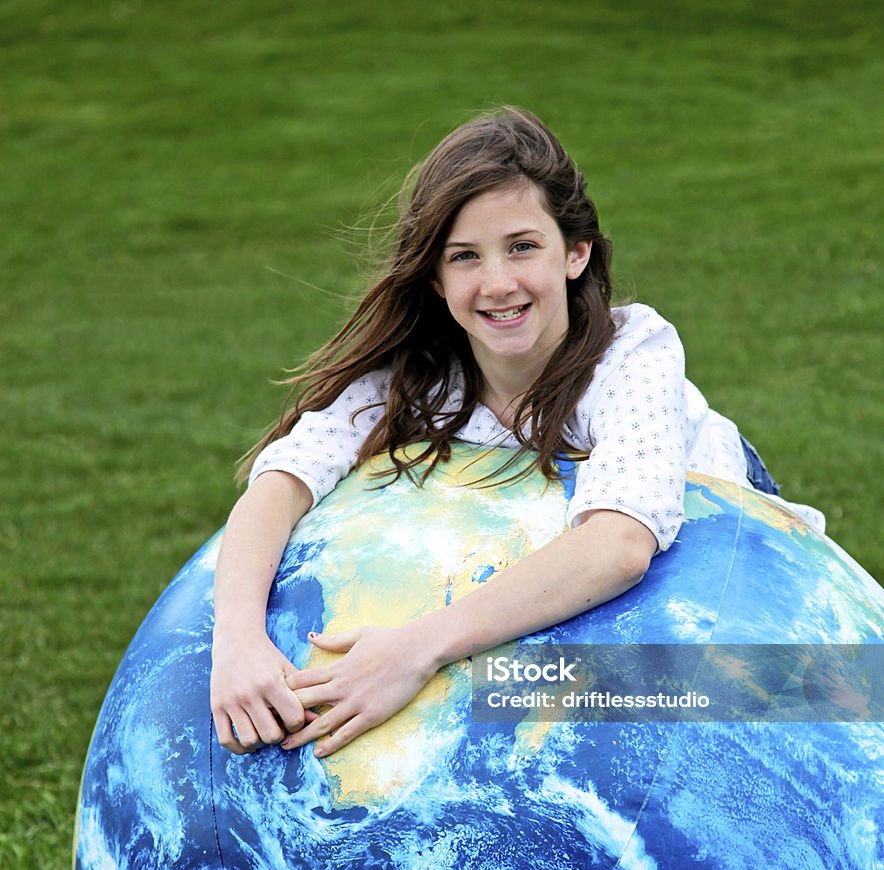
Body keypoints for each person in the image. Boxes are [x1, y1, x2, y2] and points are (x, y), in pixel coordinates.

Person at [210, 106, 823, 758]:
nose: (498, 283)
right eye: (465, 257)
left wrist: (414, 649)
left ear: (576, 253)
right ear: (437, 281)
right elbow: (280, 482)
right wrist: (239, 640)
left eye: (523, 247)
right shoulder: (419, 382)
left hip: (730, 608)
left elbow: (619, 544)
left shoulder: (633, 354)